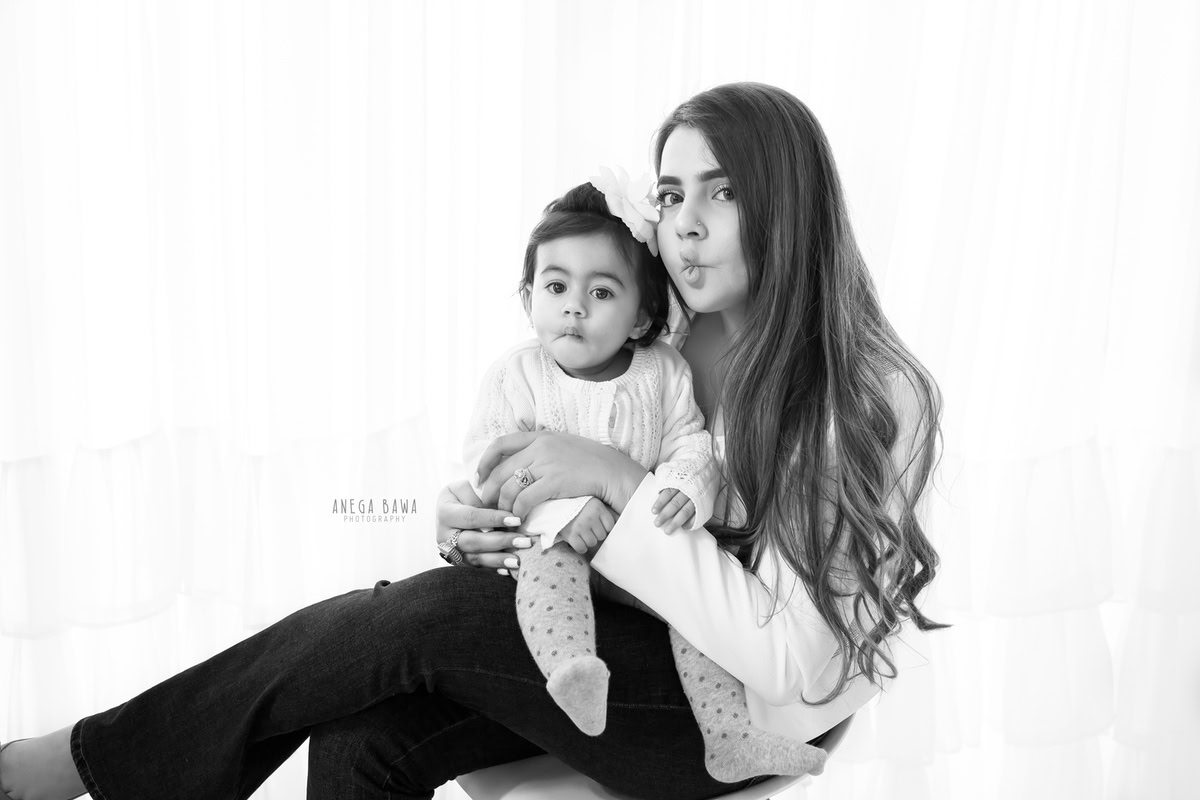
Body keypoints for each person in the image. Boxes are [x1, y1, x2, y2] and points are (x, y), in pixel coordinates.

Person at [0, 82, 943, 800]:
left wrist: (613, 482)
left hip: (742, 712)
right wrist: (487, 510)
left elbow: (787, 658)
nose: (686, 224)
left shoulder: (863, 390)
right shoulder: (666, 341)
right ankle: (112, 759)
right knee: (363, 734)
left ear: (786, 201)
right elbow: (560, 457)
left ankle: (86, 760)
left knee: (428, 618)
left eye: (723, 191)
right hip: (633, 640)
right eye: (671, 193)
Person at [459, 177, 826, 781]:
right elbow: (489, 461)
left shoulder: (664, 371)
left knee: (695, 620)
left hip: (643, 560)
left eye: (601, 292)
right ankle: (573, 669)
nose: (574, 305)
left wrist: (684, 487)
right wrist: (558, 513)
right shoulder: (518, 375)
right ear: (528, 299)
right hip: (561, 545)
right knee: (550, 571)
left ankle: (728, 737)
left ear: (641, 319)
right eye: (555, 288)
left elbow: (691, 443)